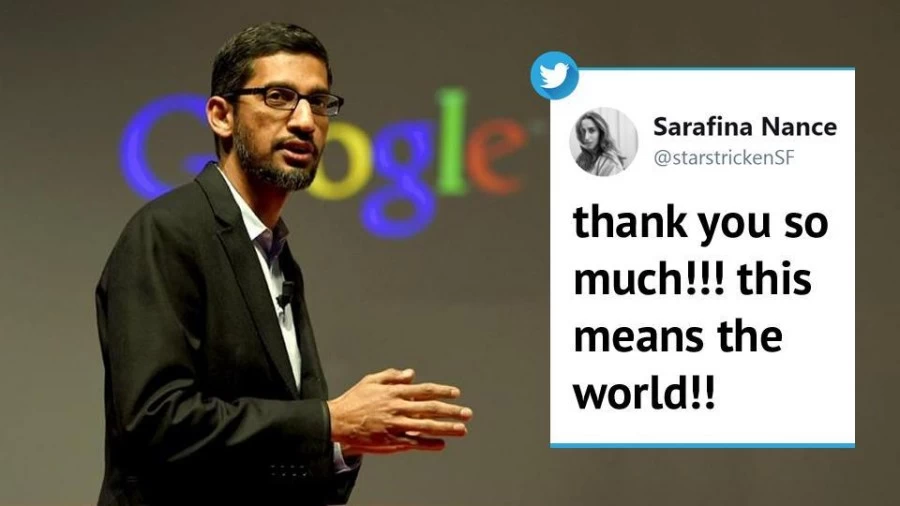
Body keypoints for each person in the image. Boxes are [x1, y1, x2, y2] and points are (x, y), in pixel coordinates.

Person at [94, 22, 473, 506]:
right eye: (279, 97)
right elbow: (155, 421)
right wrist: (329, 421)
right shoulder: (168, 232)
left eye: (319, 101)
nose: (305, 121)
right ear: (221, 116)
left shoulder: (277, 255)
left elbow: (269, 449)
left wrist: (341, 445)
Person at [574, 111, 627, 176]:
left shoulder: (610, 161)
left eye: (592, 130)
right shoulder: (582, 157)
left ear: (601, 133)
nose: (586, 137)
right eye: (583, 131)